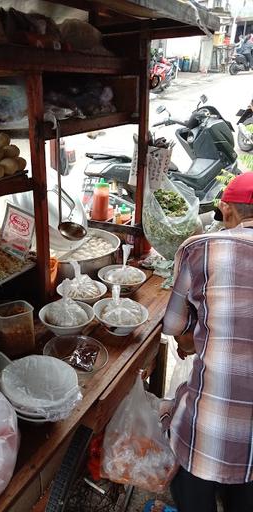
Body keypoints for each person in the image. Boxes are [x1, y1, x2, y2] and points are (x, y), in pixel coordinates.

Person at [162, 172, 253, 512]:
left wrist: (196, 333)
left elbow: (173, 325)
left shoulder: (201, 247)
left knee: (191, 486)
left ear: (228, 210)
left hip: (205, 436)